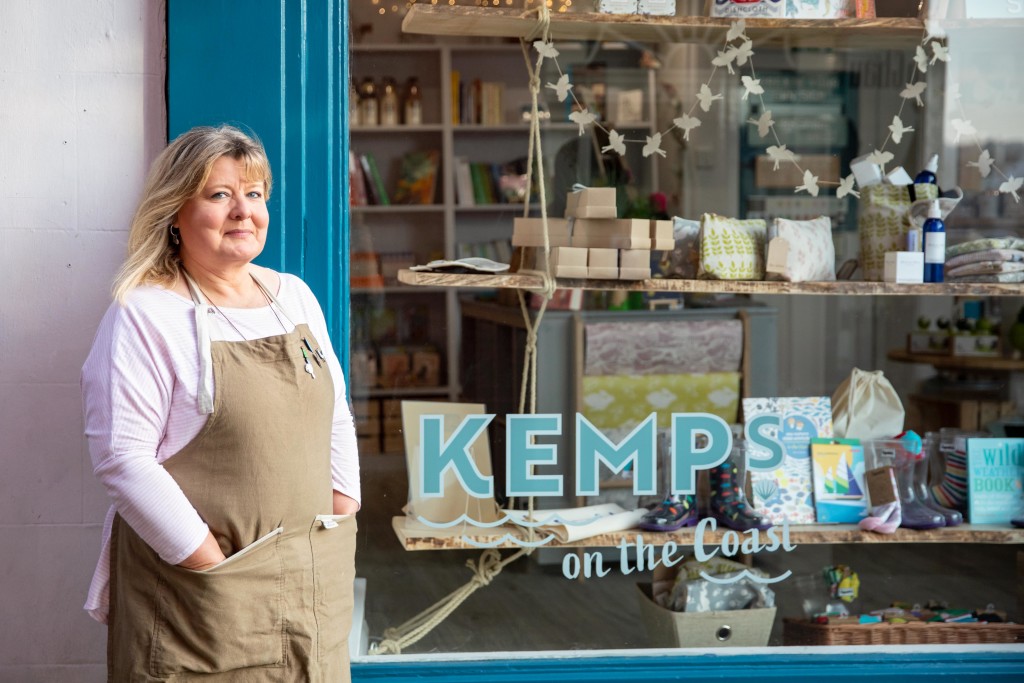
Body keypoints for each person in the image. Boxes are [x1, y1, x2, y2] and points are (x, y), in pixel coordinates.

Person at [81, 125, 361, 681]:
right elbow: (122, 457)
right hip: (204, 600)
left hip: (310, 583)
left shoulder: (294, 296)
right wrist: (211, 565)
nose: (244, 211)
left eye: (254, 195)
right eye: (219, 195)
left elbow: (336, 412)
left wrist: (344, 509)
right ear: (174, 212)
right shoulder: (145, 313)